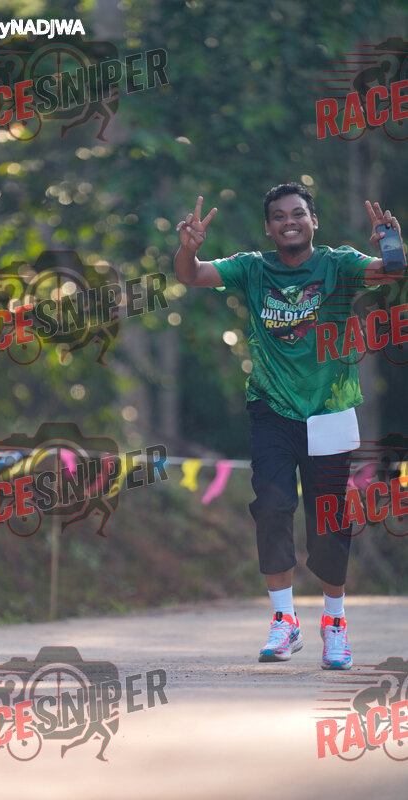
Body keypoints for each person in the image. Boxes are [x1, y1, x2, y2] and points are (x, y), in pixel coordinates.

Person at [173, 183, 403, 669]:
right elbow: (191, 275)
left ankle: (334, 623)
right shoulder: (252, 268)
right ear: (268, 228)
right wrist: (187, 249)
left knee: (328, 521)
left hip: (330, 410)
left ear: (313, 221)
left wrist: (391, 244)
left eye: (298, 213)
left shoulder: (339, 264)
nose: (289, 221)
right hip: (272, 409)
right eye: (279, 216)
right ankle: (284, 620)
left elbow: (391, 272)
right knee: (272, 506)